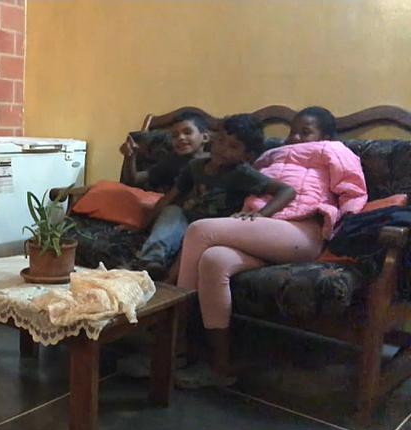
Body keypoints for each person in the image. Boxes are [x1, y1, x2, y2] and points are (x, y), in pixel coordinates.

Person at [175, 106, 367, 388]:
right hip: (262, 231)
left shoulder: (334, 150)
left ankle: (173, 343)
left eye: (305, 132)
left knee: (199, 230)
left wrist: (345, 229)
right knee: (214, 260)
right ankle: (220, 366)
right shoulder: (271, 155)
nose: (295, 137)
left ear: (325, 136)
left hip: (301, 230)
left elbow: (353, 190)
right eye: (292, 131)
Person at [134, 114, 295, 280]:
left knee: (196, 236)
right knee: (172, 210)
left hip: (210, 230)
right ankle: (151, 262)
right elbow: (170, 197)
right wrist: (142, 225)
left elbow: (287, 191)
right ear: (213, 139)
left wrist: (261, 214)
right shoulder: (195, 166)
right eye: (220, 141)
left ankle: (171, 283)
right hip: (186, 221)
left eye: (233, 146)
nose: (222, 149)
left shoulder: (243, 174)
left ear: (247, 156)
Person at [119, 111, 211, 193]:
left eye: (187, 132)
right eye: (175, 135)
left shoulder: (214, 161)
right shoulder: (172, 161)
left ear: (205, 137)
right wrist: (130, 156)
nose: (180, 138)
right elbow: (134, 180)